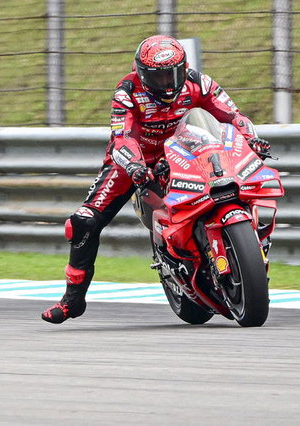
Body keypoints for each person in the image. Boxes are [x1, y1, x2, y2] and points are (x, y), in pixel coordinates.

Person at [41, 35, 272, 324]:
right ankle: (72, 300)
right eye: (157, 76)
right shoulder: (127, 93)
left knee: (236, 183)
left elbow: (232, 117)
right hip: (139, 160)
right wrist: (135, 166)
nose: (166, 83)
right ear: (141, 74)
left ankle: (242, 247)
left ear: (183, 68)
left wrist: (253, 139)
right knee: (83, 221)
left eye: (171, 74)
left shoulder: (199, 83)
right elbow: (121, 139)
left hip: (188, 150)